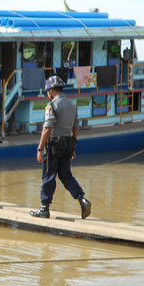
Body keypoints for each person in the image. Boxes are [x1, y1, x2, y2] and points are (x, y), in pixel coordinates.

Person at [30, 76, 91, 219]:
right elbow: (75, 127)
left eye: (47, 91)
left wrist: (39, 149)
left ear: (51, 91)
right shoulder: (72, 105)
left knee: (48, 175)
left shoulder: (51, 106)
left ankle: (44, 208)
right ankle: (82, 199)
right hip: (68, 143)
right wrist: (73, 146)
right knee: (66, 175)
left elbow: (47, 128)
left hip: (53, 145)